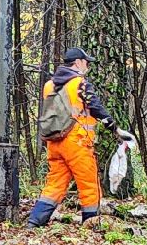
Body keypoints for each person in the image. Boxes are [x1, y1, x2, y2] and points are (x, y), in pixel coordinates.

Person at [27, 48, 131, 228]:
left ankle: (34, 222)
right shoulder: (80, 83)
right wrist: (115, 128)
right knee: (89, 185)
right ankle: (90, 226)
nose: (88, 66)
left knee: (54, 185)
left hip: (54, 143)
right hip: (76, 143)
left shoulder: (48, 85)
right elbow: (96, 108)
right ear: (77, 63)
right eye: (86, 62)